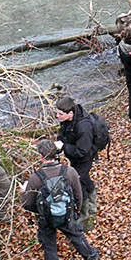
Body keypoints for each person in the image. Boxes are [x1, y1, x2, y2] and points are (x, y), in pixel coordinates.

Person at [21, 139, 100, 260]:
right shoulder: (69, 172)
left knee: (49, 248)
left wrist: (39, 211)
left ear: (41, 156)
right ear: (56, 153)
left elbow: (26, 204)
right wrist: (74, 211)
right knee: (76, 235)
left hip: (45, 220)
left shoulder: (35, 179)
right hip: (67, 214)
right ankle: (91, 257)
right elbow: (79, 195)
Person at [54, 97, 98, 228]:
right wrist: (59, 144)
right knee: (84, 179)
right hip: (75, 156)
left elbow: (82, 151)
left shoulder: (84, 127)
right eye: (57, 113)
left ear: (70, 113)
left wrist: (63, 147)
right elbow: (63, 134)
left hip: (84, 158)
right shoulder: (68, 120)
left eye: (60, 114)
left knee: (79, 184)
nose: (57, 116)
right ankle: (92, 204)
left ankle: (85, 216)